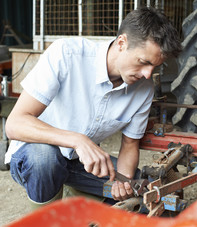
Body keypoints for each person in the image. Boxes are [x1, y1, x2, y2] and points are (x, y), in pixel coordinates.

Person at [4, 7, 181, 208]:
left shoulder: (144, 88)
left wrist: (122, 182)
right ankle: (45, 219)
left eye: (154, 67)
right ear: (122, 43)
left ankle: (77, 197)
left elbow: (130, 145)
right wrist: (77, 140)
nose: (148, 74)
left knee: (146, 192)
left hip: (81, 164)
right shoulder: (67, 54)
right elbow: (15, 124)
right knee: (45, 159)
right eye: (143, 62)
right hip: (33, 157)